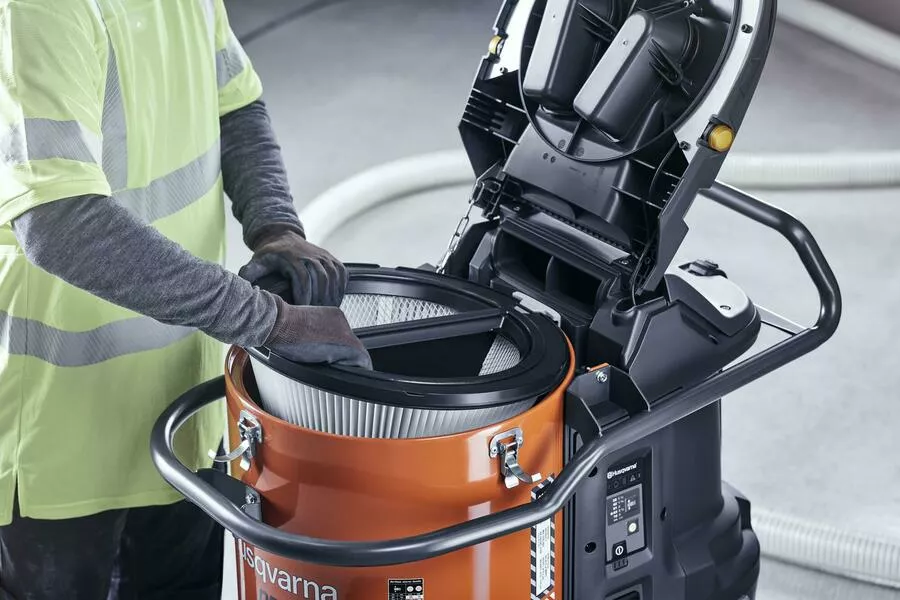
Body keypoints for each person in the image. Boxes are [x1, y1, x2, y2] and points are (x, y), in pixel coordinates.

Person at [0, 0, 371, 598]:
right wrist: (268, 321)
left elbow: (236, 102)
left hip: (182, 403)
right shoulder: (37, 11)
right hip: (61, 441)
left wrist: (275, 224)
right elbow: (57, 222)